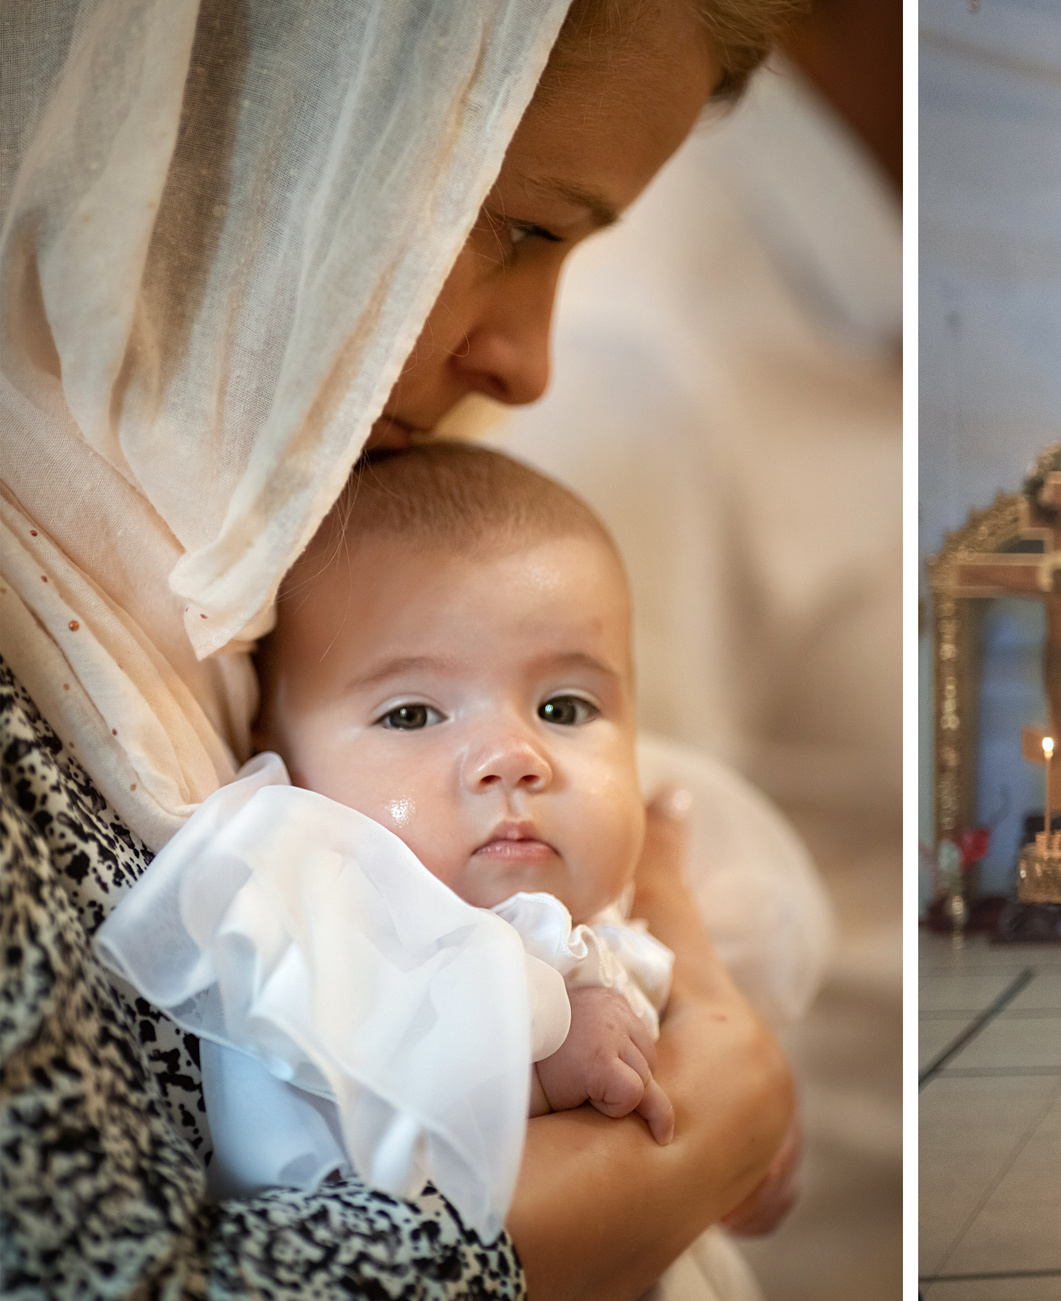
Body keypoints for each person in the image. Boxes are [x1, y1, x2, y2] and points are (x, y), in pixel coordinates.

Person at [0, 1, 807, 1293]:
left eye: (566, 707)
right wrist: (692, 1149)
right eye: (521, 226)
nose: (528, 367)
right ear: (244, 116)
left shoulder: (233, 572)